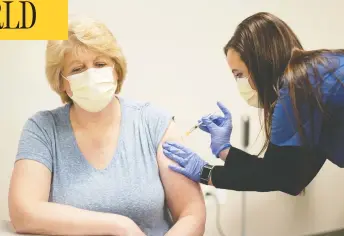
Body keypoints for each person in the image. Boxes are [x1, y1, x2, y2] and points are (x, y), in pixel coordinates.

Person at [8, 17, 206, 236]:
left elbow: (191, 213)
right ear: (62, 82)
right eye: (77, 69)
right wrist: (117, 226)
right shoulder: (43, 129)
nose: (91, 75)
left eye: (100, 64)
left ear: (116, 70)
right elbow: (23, 213)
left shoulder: (154, 122)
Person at [162, 12, 344, 196]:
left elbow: (275, 176)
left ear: (262, 63)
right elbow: (292, 178)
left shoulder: (298, 88)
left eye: (239, 74)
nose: (239, 84)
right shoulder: (318, 74)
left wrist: (205, 172)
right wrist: (225, 151)